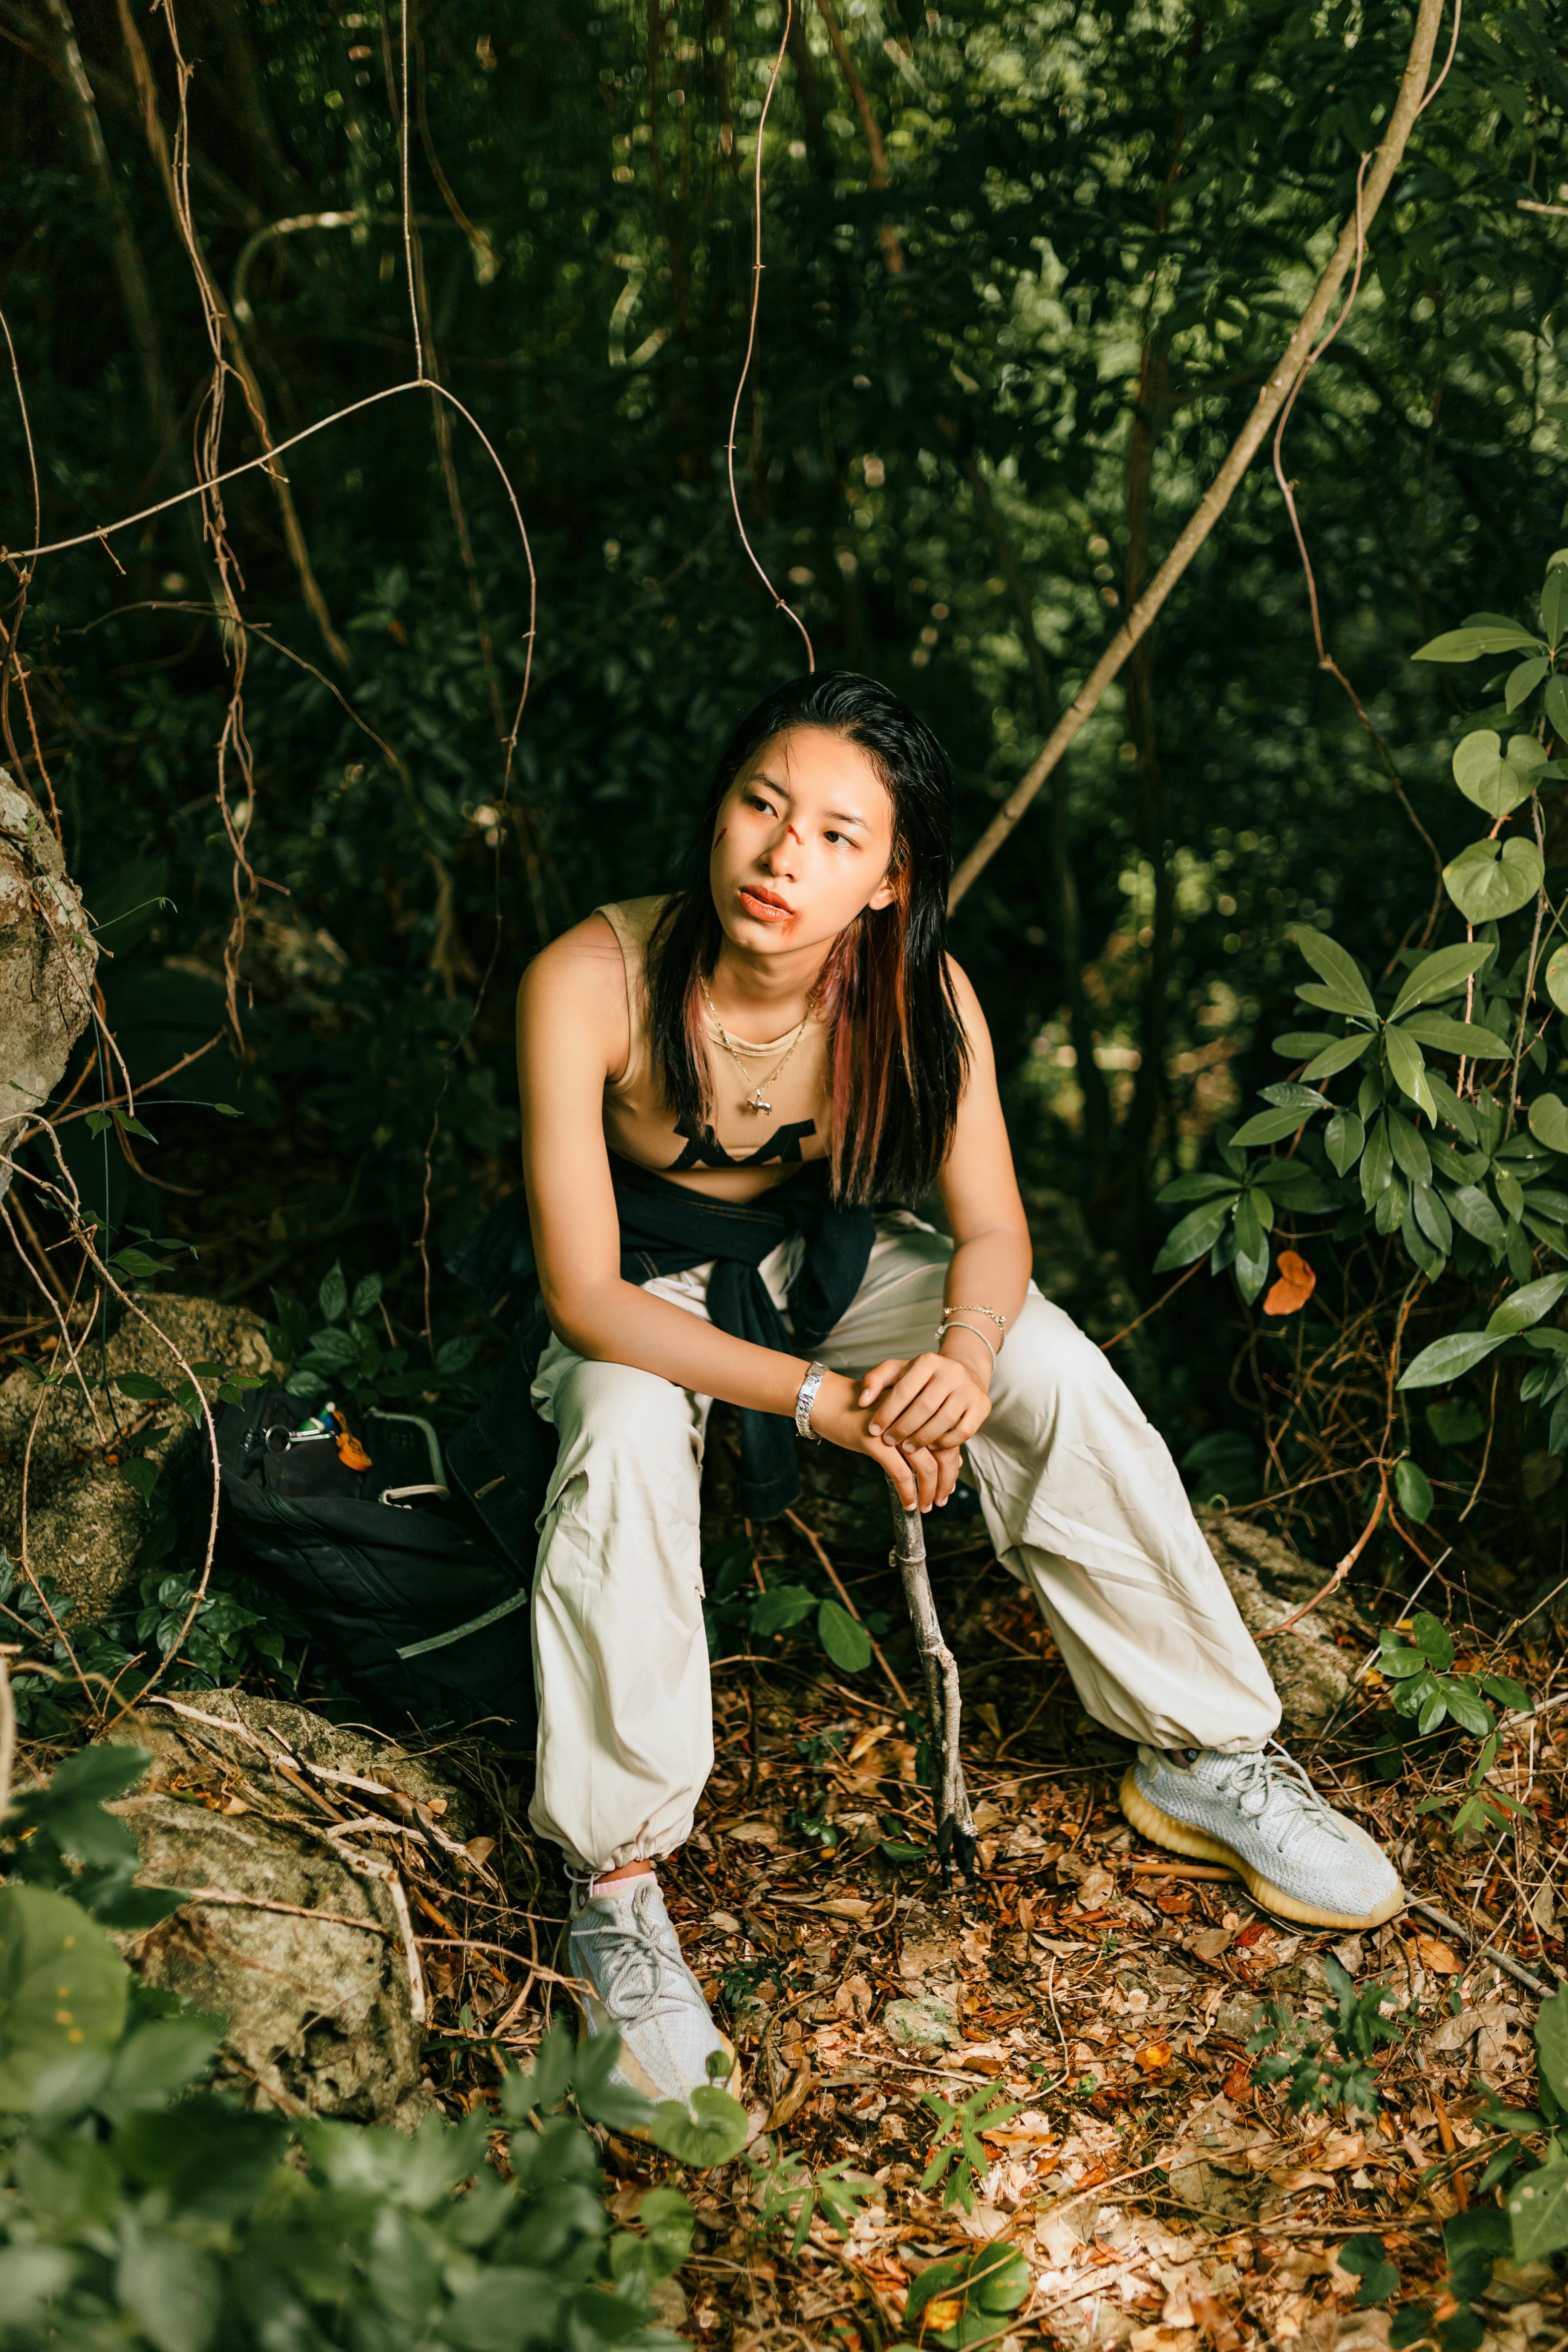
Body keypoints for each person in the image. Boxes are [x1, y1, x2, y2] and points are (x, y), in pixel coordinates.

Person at [513, 670, 1400, 2107]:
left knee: (1046, 1356)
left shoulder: (922, 998)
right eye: (762, 805)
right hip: (649, 1281)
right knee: (616, 1427)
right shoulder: (590, 980)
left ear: (887, 880)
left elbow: (990, 1235)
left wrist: (965, 1356)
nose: (783, 855)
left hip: (835, 1260)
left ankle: (1201, 1752)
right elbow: (585, 1297)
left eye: (838, 836)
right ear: (721, 806)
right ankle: (615, 1891)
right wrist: (822, 1404)